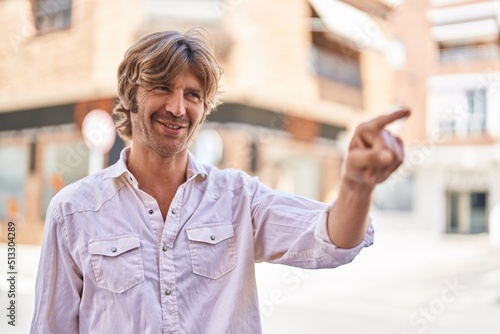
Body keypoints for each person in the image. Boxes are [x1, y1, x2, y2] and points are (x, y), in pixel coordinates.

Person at [30, 30, 410, 333]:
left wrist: (357, 186)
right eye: (162, 88)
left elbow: (331, 240)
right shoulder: (74, 210)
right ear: (130, 97)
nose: (178, 108)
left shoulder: (238, 197)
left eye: (192, 95)